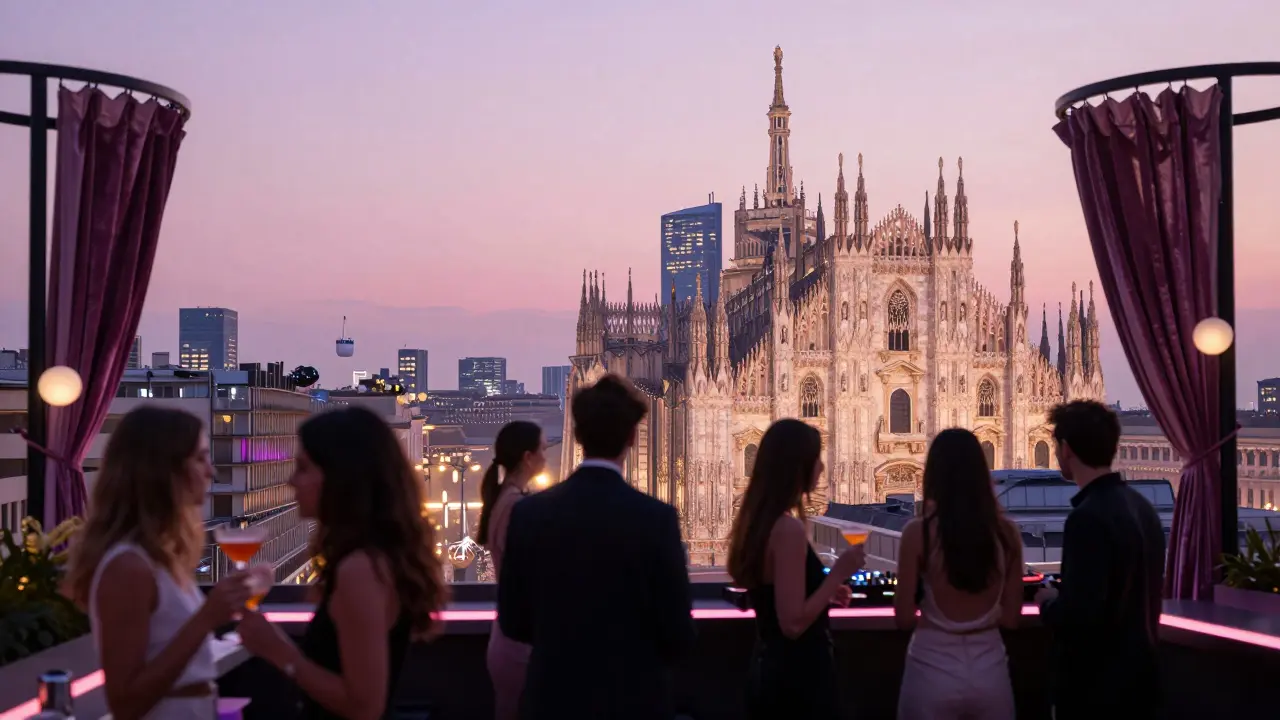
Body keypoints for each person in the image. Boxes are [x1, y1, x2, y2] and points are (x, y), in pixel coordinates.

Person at [497, 374, 695, 720]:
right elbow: (677, 631)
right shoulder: (656, 519)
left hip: (553, 698)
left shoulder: (530, 514)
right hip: (633, 701)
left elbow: (514, 622)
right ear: (633, 436)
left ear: (577, 435)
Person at [238, 406, 447, 720]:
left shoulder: (360, 570)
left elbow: (365, 707)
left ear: (340, 477)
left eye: (304, 467)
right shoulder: (376, 558)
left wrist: (280, 653)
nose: (292, 480)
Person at [64, 406, 252, 720]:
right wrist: (206, 618)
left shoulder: (159, 559)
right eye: (200, 458)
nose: (211, 471)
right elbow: (124, 702)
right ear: (164, 470)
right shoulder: (128, 568)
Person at [1034, 400, 1165, 719]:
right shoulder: (1144, 509)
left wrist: (1049, 601)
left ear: (1065, 449)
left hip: (1096, 692)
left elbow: (1081, 617)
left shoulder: (1087, 518)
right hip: (1142, 684)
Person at [726, 418, 863, 720]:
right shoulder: (787, 529)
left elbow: (777, 598)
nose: (822, 468)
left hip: (773, 673)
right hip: (797, 682)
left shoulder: (763, 522)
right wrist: (838, 573)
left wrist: (823, 591)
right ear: (797, 466)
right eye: (816, 459)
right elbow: (792, 624)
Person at [893, 428, 1023, 720]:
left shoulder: (918, 532)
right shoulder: (1007, 533)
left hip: (930, 672)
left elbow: (902, 618)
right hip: (990, 676)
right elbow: (1012, 619)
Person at [476, 420, 546, 720]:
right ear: (527, 457)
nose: (546, 456)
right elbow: (533, 577)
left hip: (509, 636)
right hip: (519, 642)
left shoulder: (504, 500)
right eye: (542, 450)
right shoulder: (516, 507)